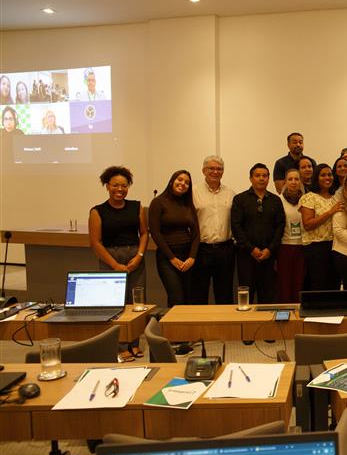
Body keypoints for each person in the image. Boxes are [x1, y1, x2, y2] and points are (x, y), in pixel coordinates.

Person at [88, 166, 148, 361]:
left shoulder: (136, 206)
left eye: (124, 185)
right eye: (115, 185)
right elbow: (95, 243)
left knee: (137, 303)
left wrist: (139, 256)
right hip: (110, 259)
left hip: (134, 257)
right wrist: (114, 265)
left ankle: (135, 343)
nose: (120, 189)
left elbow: (144, 233)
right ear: (107, 186)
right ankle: (120, 345)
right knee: (115, 304)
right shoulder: (97, 211)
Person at [231, 164, 285, 303]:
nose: (261, 179)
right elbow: (236, 227)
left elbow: (280, 226)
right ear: (251, 178)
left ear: (268, 178)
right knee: (246, 297)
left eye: (265, 176)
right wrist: (251, 249)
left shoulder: (275, 200)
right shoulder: (240, 199)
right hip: (246, 256)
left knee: (268, 296)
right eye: (257, 175)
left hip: (269, 256)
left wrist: (269, 249)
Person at [149, 170, 200, 307]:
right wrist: (172, 258)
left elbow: (196, 234)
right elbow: (155, 233)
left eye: (187, 182)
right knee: (176, 297)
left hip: (188, 258)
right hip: (167, 258)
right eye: (180, 179)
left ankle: (189, 328)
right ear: (172, 181)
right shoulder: (158, 202)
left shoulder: (188, 204)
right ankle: (172, 329)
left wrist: (192, 257)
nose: (183, 183)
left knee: (190, 298)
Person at [191, 155, 236, 304]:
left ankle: (225, 327)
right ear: (203, 170)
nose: (215, 172)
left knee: (225, 294)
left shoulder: (230, 193)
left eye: (219, 169)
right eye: (211, 168)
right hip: (201, 250)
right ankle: (200, 327)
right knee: (199, 293)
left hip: (226, 249)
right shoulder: (193, 192)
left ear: (223, 172)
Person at [299, 164, 343, 290]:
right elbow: (307, 225)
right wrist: (330, 212)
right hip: (315, 247)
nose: (327, 177)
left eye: (329, 174)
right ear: (316, 178)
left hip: (335, 246)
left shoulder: (336, 198)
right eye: (323, 175)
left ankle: (333, 309)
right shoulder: (308, 197)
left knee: (334, 283)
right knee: (319, 284)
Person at [277, 169, 305, 302]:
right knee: (284, 285)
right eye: (290, 179)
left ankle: (297, 317)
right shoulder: (278, 200)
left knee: (299, 284)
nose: (293, 182)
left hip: (302, 246)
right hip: (284, 247)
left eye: (296, 179)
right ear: (285, 182)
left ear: (300, 182)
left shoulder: (306, 200)